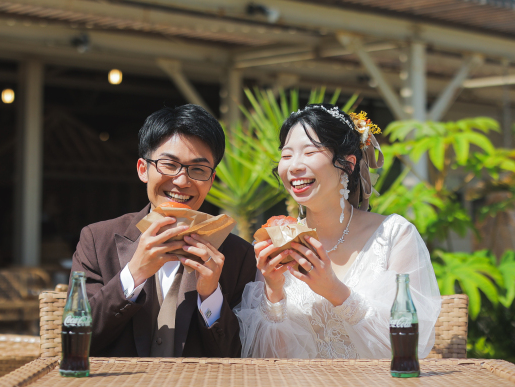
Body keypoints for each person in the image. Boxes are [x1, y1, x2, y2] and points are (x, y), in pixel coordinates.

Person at [234, 104, 441, 359]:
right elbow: (269, 361)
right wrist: (274, 292)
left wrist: (334, 290)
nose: (294, 166)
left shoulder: (394, 236)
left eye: (309, 152)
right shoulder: (277, 242)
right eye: (286, 155)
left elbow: (410, 347)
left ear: (348, 164)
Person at [71, 104, 256, 357]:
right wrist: (133, 275)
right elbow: (75, 344)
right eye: (169, 164)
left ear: (211, 181)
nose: (181, 181)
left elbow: (242, 357)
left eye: (198, 169)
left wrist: (211, 294)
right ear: (142, 169)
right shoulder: (96, 240)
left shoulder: (239, 255)